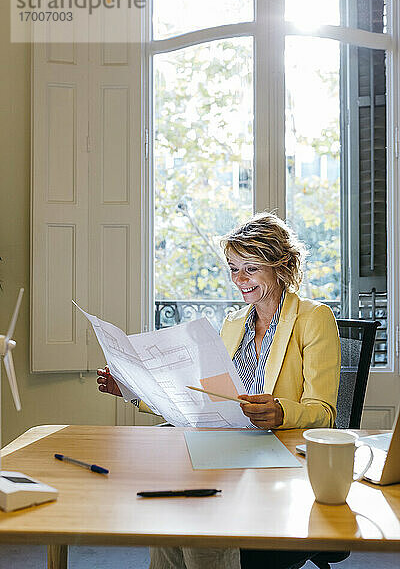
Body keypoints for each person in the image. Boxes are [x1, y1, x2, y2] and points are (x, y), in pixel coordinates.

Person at [97, 212, 341, 569]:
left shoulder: (313, 317)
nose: (238, 280)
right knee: (169, 506)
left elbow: (324, 411)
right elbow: (198, 401)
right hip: (227, 448)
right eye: (232, 268)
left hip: (274, 458)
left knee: (197, 514)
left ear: (280, 267)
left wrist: (280, 411)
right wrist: (135, 390)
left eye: (250, 269)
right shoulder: (233, 323)